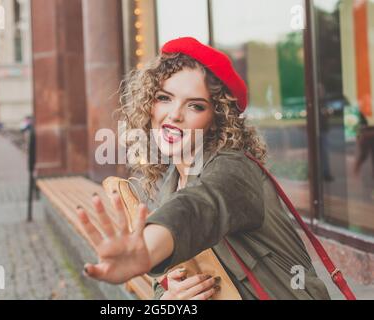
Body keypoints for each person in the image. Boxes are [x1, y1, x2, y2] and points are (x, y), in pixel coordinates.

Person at [74, 37, 332, 300]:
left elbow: (197, 208)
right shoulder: (170, 181)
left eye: (195, 105)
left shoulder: (235, 168)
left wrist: (145, 253)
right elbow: (171, 273)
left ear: (216, 118)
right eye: (164, 98)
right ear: (149, 104)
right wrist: (168, 296)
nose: (174, 115)